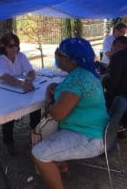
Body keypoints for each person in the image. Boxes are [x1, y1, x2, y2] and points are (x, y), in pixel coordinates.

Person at [32, 37, 109, 189]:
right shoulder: (85, 72)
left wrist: (48, 99)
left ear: (72, 60)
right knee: (51, 139)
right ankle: (61, 167)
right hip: (97, 130)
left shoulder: (77, 79)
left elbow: (56, 114)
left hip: (89, 137)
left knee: (39, 154)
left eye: (58, 53)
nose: (56, 56)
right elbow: (73, 89)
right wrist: (57, 87)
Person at [0, 32, 41, 154]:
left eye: (16, 45)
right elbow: (5, 77)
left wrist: (29, 80)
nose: (14, 48)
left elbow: (31, 71)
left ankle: (35, 132)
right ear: (3, 47)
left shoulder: (21, 56)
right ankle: (8, 141)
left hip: (16, 88)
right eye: (10, 46)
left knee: (35, 104)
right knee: (9, 110)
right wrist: (23, 84)